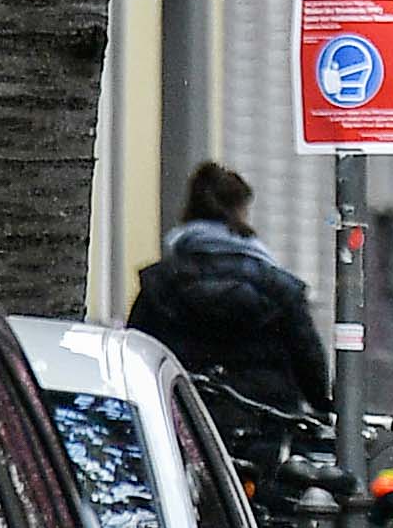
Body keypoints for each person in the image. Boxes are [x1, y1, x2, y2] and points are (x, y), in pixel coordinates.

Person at [127, 161, 337, 446]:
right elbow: (308, 358)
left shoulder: (160, 283)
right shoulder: (278, 287)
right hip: (264, 421)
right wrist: (323, 406)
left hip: (184, 417)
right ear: (242, 211)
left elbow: (137, 352)